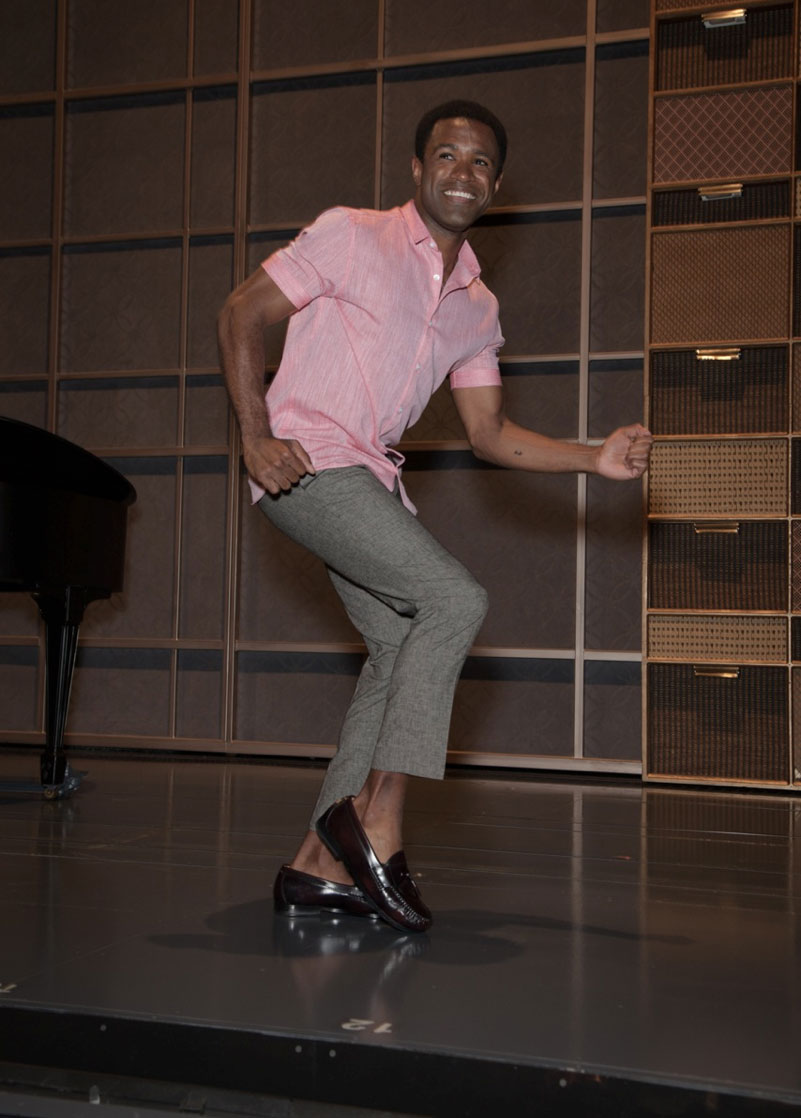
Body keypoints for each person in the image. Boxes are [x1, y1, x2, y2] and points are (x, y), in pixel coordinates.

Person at [217, 100, 652, 934]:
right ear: (417, 171)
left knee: (397, 644)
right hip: (306, 462)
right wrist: (253, 437)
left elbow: (489, 436)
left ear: (496, 184)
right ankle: (375, 824)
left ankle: (317, 866)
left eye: (480, 162)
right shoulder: (351, 233)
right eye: (446, 156)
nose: (462, 172)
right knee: (453, 600)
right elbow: (242, 311)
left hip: (371, 483)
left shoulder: (475, 306)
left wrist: (591, 456)